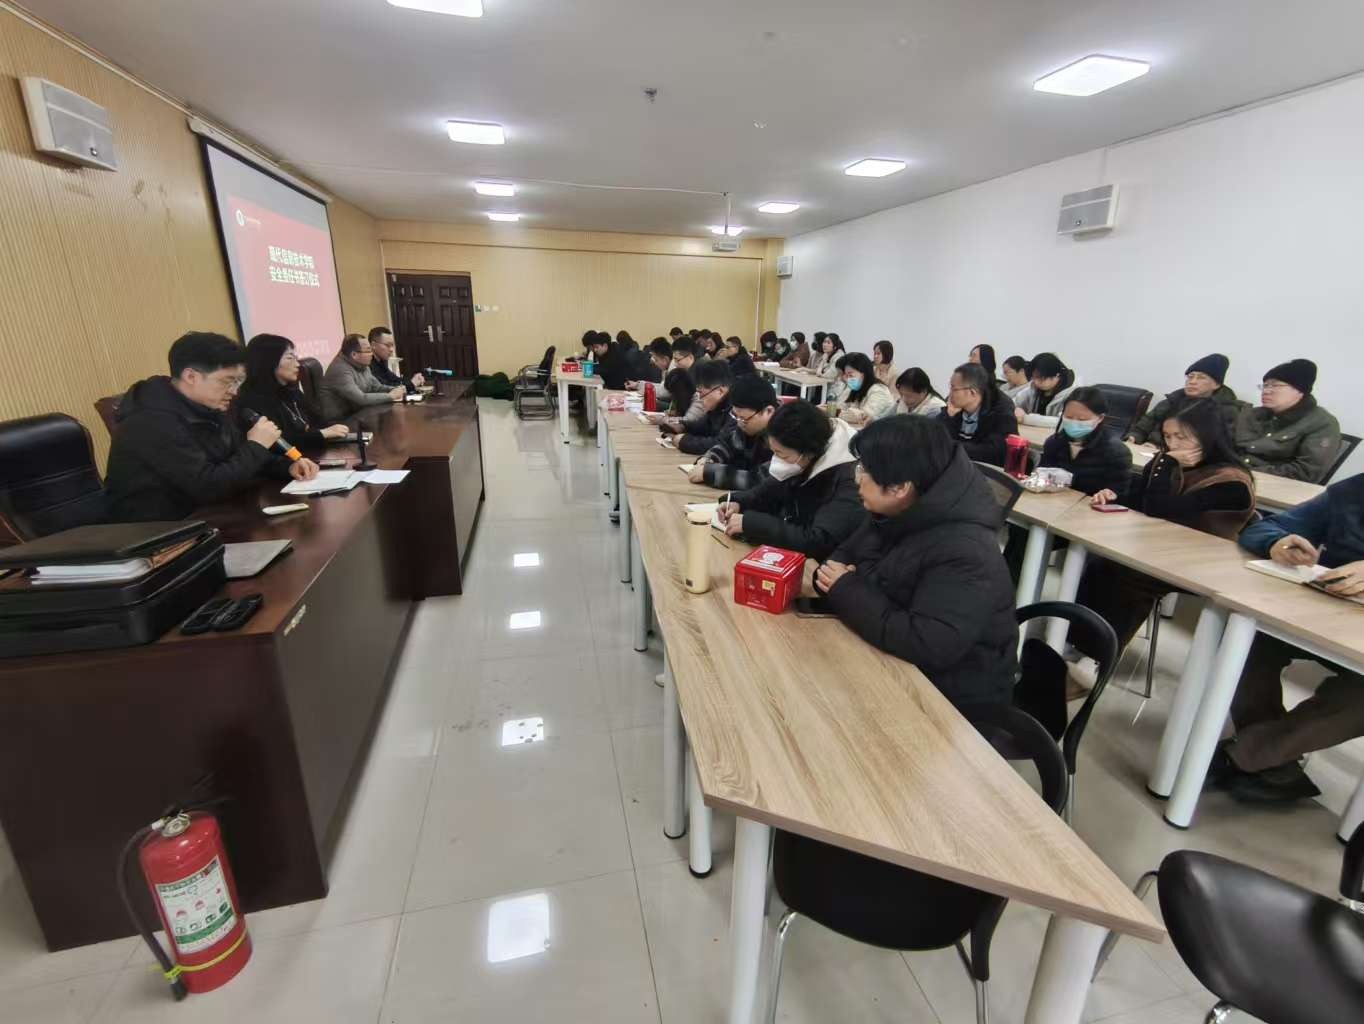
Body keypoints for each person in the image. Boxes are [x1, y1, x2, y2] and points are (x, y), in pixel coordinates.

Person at [815, 416, 1018, 708]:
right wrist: (841, 584)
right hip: (886, 656)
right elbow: (836, 562)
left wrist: (846, 588)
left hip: (949, 699)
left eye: (864, 470)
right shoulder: (894, 511)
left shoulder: (966, 551)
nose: (856, 479)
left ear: (900, 487)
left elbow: (928, 645)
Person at [1210, 473, 1364, 802]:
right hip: (1323, 616)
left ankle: (1247, 755)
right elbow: (1265, 527)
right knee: (1243, 637)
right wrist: (1277, 544)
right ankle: (1270, 761)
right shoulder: (1353, 491)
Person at [1072, 401, 1256, 657]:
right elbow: (1142, 501)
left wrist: (1165, 464)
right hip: (1158, 549)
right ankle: (1076, 641)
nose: (1173, 444)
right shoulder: (1168, 461)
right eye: (1168, 436)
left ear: (1208, 436)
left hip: (1203, 563)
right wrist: (1114, 497)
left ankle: (1097, 657)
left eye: (1182, 437)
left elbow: (1162, 509)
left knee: (1127, 575)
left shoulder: (1231, 481)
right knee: (1101, 563)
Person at [106, 332, 319, 521]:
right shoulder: (151, 422)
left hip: (208, 516)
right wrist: (256, 445)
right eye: (227, 381)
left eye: (238, 382)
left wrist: (287, 467)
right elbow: (209, 487)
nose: (234, 391)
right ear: (191, 377)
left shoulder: (207, 408)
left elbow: (237, 456)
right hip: (160, 531)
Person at [1002, 387, 1132, 581]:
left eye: (1082, 419)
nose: (1074, 423)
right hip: (1052, 511)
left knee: (1027, 538)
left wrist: (1108, 494)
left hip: (1086, 520)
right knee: (1019, 532)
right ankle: (1008, 586)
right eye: (1069, 417)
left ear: (1100, 418)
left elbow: (1121, 494)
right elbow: (1044, 474)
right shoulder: (1055, 442)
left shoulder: (1115, 451)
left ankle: (1014, 586)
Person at [718, 401, 864, 561]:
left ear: (808, 453)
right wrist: (739, 503)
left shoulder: (851, 480)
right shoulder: (804, 455)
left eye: (781, 454)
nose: (776, 460)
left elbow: (818, 540)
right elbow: (768, 491)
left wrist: (753, 524)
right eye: (773, 452)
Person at [1232, 359, 1341, 482]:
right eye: (1265, 385)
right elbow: (1226, 446)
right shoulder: (1253, 414)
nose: (1266, 391)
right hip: (1232, 476)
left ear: (1300, 390)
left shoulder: (1322, 423)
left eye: (1276, 386)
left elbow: (1306, 472)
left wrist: (1244, 473)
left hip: (1271, 484)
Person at [238, 334, 350, 453]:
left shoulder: (291, 391)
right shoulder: (253, 399)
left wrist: (332, 431)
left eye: (296, 358)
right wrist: (321, 434)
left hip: (310, 455)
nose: (297, 364)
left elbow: (318, 421)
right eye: (290, 358)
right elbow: (277, 442)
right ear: (269, 361)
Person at [1126, 353, 1243, 446]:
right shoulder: (1172, 400)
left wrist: (1161, 448)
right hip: (1148, 451)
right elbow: (1141, 428)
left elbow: (1212, 446)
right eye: (1190, 377)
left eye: (1201, 378)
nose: (1192, 381)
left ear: (1216, 385)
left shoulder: (1227, 410)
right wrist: (1133, 438)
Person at [688, 374, 776, 489]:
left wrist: (711, 473)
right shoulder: (747, 427)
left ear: (768, 411)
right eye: (735, 416)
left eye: (743, 418)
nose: (739, 423)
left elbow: (761, 480)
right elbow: (727, 446)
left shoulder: (784, 435)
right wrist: (708, 459)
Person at [939, 362, 1019, 466]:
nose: (950, 394)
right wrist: (948, 418)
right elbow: (936, 438)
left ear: (972, 392)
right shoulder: (955, 408)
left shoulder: (1001, 413)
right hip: (959, 465)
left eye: (954, 389)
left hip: (987, 470)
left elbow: (993, 453)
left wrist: (952, 447)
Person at [320, 333, 405, 420]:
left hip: (358, 415)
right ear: (354, 355)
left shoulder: (363, 365)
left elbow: (377, 387)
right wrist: (390, 396)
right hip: (340, 421)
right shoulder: (340, 370)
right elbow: (360, 399)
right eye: (368, 351)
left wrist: (396, 389)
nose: (372, 354)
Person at [676, 359, 734, 455]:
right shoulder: (718, 406)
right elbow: (703, 427)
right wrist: (683, 426)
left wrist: (683, 441)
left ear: (720, 391)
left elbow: (721, 444)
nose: (699, 399)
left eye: (701, 394)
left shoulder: (737, 408)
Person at [1012, 352, 1080, 429]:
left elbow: (1064, 422)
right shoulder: (1033, 388)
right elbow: (1012, 403)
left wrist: (1026, 418)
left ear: (1057, 375)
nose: (1036, 382)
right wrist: (1015, 410)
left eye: (1041, 378)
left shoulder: (1073, 394)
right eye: (1034, 377)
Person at [836, 352, 896, 427]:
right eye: (846, 375)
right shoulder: (856, 388)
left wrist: (836, 412)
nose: (846, 379)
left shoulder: (879, 391)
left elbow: (863, 417)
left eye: (850, 375)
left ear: (864, 373)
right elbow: (841, 406)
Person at [367, 327, 425, 391]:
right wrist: (411, 384)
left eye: (392, 345)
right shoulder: (367, 363)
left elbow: (395, 379)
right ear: (373, 345)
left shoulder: (381, 361)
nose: (391, 349)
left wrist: (413, 379)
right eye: (387, 345)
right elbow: (385, 387)